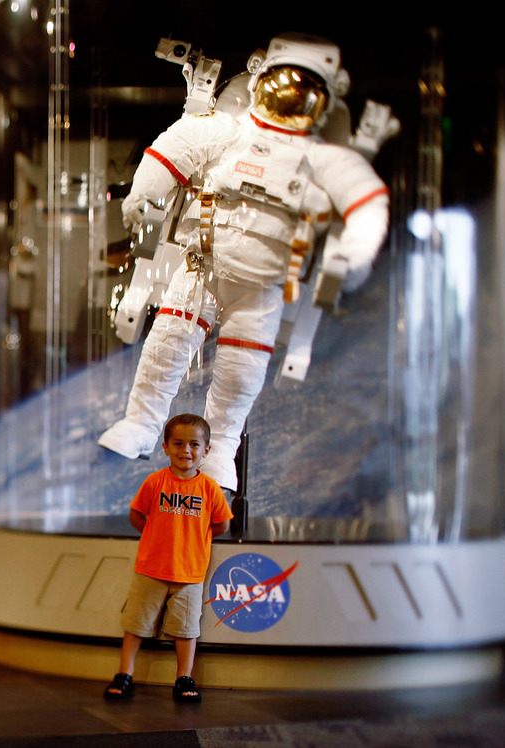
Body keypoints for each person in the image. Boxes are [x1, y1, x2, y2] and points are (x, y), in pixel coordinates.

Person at [98, 32, 391, 494]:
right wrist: (144, 193)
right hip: (201, 270)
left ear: (322, 104)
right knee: (166, 347)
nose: (289, 99)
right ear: (260, 84)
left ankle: (220, 453)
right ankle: (139, 424)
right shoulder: (228, 129)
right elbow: (174, 149)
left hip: (261, 289)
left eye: (304, 93)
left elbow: (367, 202)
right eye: (281, 87)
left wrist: (353, 257)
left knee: (239, 374)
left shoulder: (323, 158)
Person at [104, 413, 233, 703]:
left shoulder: (210, 489)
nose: (185, 451)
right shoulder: (154, 482)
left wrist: (195, 540)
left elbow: (221, 524)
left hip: (190, 575)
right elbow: (137, 516)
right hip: (151, 569)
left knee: (186, 630)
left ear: (206, 450)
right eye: (177, 443)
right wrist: (157, 536)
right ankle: (125, 674)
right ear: (165, 447)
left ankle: (184, 677)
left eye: (193, 445)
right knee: (136, 625)